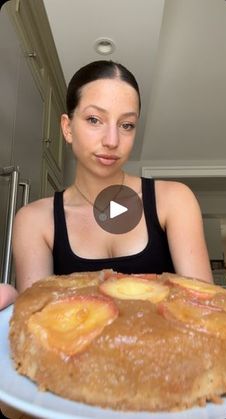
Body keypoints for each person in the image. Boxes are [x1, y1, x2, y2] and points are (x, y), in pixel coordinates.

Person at [0, 60, 213, 310]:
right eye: (94, 119)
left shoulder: (174, 200)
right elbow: (39, 325)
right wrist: (14, 309)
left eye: (126, 125)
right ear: (67, 128)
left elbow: (204, 312)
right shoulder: (35, 220)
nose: (112, 141)